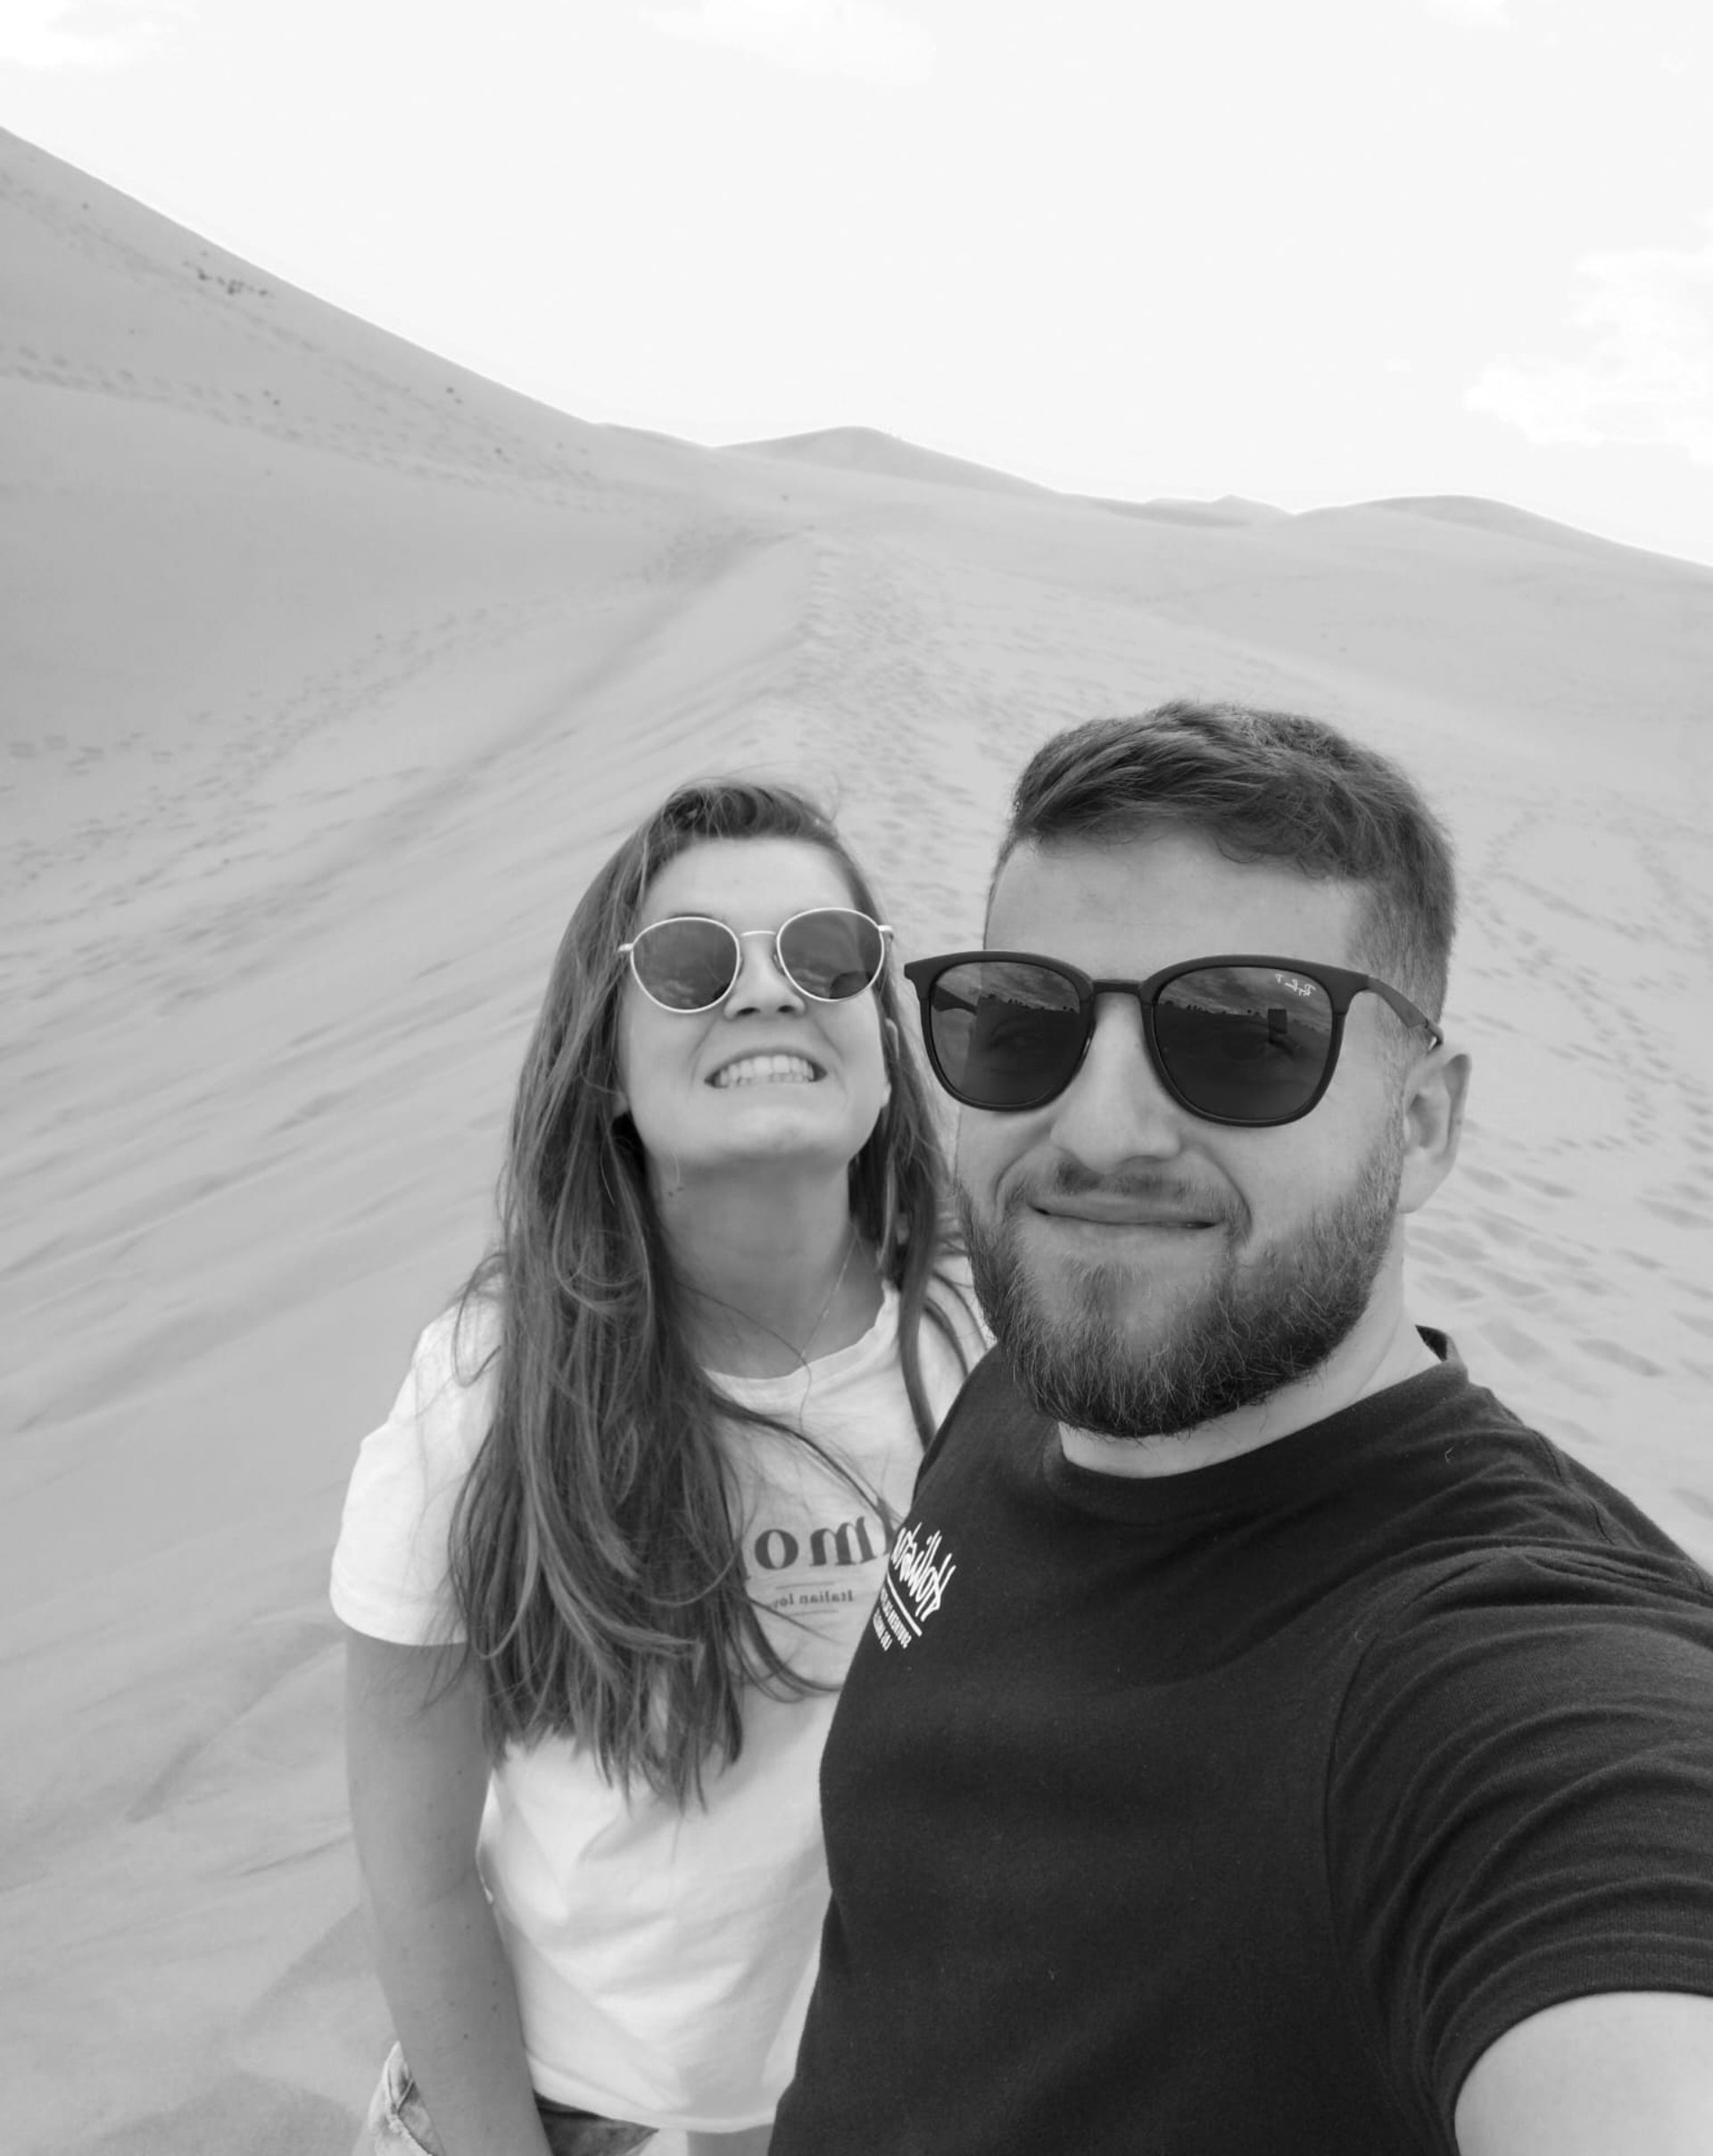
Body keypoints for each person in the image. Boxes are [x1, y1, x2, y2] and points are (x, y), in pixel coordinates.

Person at [771, 701, 1713, 2156]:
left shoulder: (1495, 1683)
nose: (1099, 1132)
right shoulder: (1037, 1376)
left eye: (1247, 1037)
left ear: (1422, 1127)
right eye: (1019, 1022)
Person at [331, 780, 981, 2156]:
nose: (765, 995)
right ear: (609, 1068)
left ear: (880, 1032)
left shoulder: (987, 1350)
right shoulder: (492, 1392)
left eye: (826, 954)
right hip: (564, 2118)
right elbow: (420, 1876)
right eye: (690, 966)